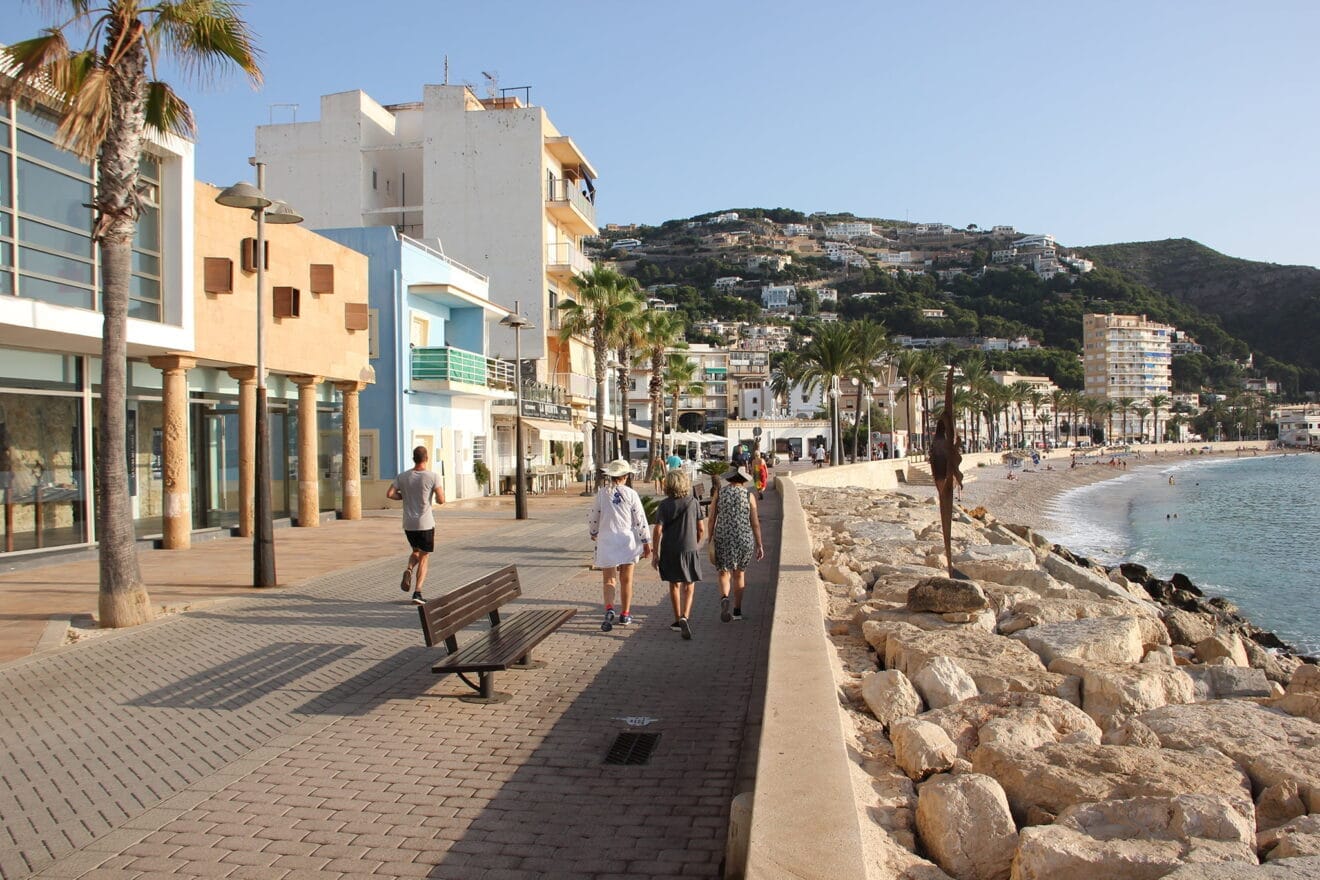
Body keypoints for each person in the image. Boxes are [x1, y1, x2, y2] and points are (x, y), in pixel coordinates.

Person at [588, 459, 651, 631]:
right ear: (625, 476)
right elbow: (640, 520)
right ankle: (625, 613)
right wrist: (646, 541)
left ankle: (609, 608)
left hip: (607, 540)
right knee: (626, 579)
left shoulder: (602, 494)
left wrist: (593, 532)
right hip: (627, 540)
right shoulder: (631, 494)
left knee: (609, 579)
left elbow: (594, 516)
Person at [387, 445, 445, 605]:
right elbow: (441, 499)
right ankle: (417, 592)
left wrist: (404, 497)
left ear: (414, 458)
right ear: (426, 458)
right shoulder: (433, 476)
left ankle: (409, 569)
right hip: (425, 523)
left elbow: (390, 494)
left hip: (408, 524)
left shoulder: (402, 476)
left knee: (416, 552)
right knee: (424, 557)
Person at [651, 469, 703, 640]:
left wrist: (655, 553)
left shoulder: (664, 505)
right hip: (689, 548)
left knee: (674, 585)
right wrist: (695, 541)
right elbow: (701, 528)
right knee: (689, 584)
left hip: (669, 549)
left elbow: (658, 530)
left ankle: (676, 618)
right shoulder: (693, 502)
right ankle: (685, 616)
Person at [709, 465, 763, 622]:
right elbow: (755, 523)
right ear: (743, 480)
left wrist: (710, 537)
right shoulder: (748, 496)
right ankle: (737, 611)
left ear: (730, 479)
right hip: (743, 538)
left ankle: (724, 598)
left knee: (723, 572)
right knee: (739, 574)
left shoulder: (720, 493)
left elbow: (712, 517)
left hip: (723, 537)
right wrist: (759, 544)